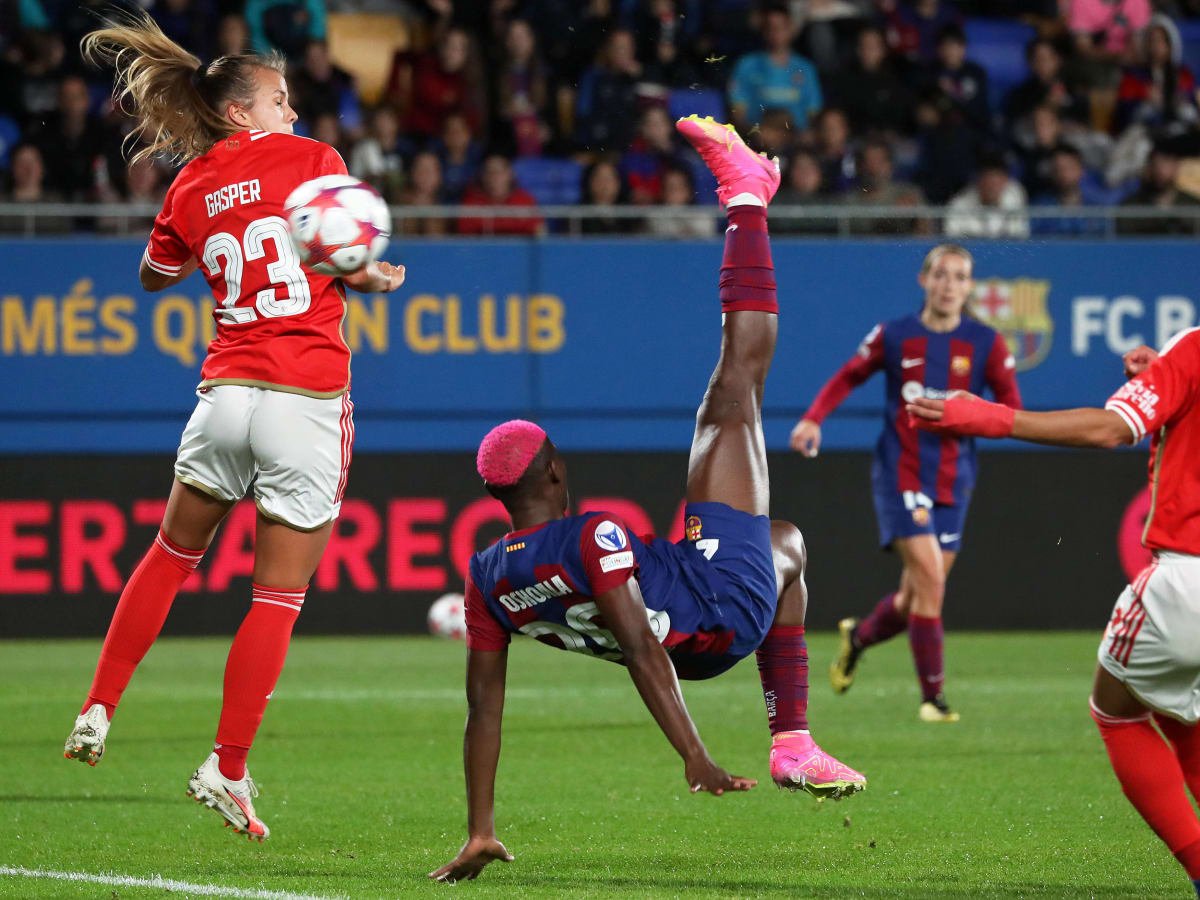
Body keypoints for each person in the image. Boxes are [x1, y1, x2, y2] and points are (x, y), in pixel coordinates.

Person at [430, 115, 865, 883]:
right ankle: (746, 196)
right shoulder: (590, 534)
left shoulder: (485, 575)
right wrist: (694, 757)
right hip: (720, 604)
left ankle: (794, 743)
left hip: (703, 616)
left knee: (788, 542)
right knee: (735, 387)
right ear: (555, 473)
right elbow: (639, 649)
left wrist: (479, 828)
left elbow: (484, 711)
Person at [62, 11, 406, 841]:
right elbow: (334, 256)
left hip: (224, 397)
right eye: (281, 100)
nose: (295, 111)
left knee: (171, 555)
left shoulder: (189, 184)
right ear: (242, 111)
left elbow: (153, 275)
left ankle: (100, 706)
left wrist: (213, 222)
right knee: (277, 597)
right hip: (305, 398)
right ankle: (227, 764)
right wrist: (369, 273)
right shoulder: (316, 161)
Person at [906, 334, 1200, 899]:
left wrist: (996, 418)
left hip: (1186, 579)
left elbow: (1108, 429)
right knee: (1185, 714)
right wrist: (1165, 375)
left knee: (1116, 712)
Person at [789, 244, 1021, 722]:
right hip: (902, 472)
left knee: (915, 596)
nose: (950, 284)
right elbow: (848, 375)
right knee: (931, 581)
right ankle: (932, 699)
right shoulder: (895, 335)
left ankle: (859, 638)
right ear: (924, 280)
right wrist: (813, 418)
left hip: (955, 478)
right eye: (941, 274)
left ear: (970, 286)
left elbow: (1010, 407)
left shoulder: (986, 344)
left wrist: (978, 416)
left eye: (960, 276)